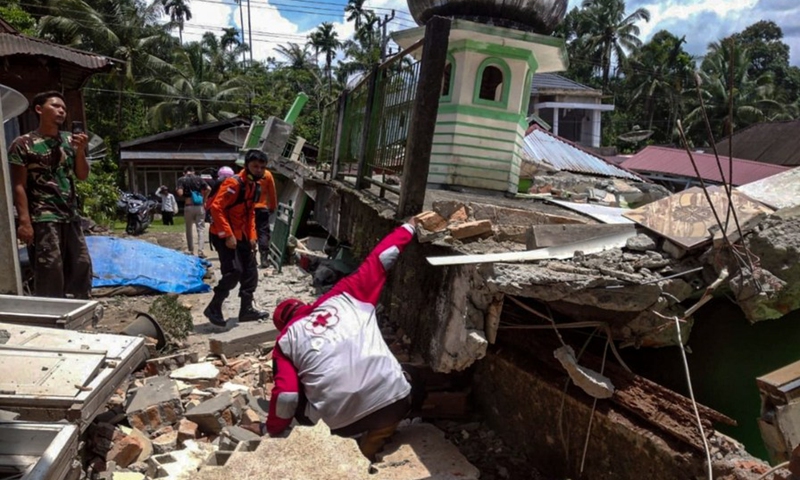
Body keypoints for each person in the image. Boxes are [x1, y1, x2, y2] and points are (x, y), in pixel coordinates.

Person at [266, 216, 419, 461]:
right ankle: (379, 435)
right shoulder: (346, 294)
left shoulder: (285, 342)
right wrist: (409, 227)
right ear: (304, 305)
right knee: (411, 378)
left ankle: (347, 454)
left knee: (303, 394)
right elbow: (383, 257)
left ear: (282, 326)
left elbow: (287, 397)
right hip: (393, 404)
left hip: (341, 424)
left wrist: (274, 429)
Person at [8, 91, 92, 299]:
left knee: (81, 264)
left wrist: (80, 151)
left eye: (63, 108)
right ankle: (51, 313)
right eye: (55, 106)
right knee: (50, 267)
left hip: (70, 215)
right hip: (43, 216)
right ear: (39, 109)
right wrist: (24, 222)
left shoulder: (69, 141)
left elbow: (82, 175)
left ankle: (80, 308)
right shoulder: (23, 144)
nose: (61, 111)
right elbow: (18, 185)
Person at [203, 150, 270, 327]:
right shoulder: (233, 184)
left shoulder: (254, 186)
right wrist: (228, 235)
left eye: (262, 167)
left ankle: (246, 310)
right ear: (246, 165)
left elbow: (250, 214)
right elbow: (216, 209)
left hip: (242, 235)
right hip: (222, 234)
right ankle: (214, 307)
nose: (259, 170)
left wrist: (253, 236)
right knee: (234, 272)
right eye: (255, 166)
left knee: (250, 272)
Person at [176, 165, 209, 257]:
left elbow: (180, 193)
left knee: (189, 228)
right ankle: (201, 250)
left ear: (184, 172)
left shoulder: (182, 179)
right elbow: (209, 189)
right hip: (199, 206)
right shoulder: (199, 179)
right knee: (201, 228)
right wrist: (204, 199)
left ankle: (191, 250)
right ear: (193, 171)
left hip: (188, 206)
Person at [254, 162, 277, 268]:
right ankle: (264, 259)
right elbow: (272, 193)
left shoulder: (247, 174)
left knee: (250, 232)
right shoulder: (267, 174)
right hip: (262, 208)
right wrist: (273, 207)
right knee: (263, 233)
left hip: (249, 209)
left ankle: (252, 258)